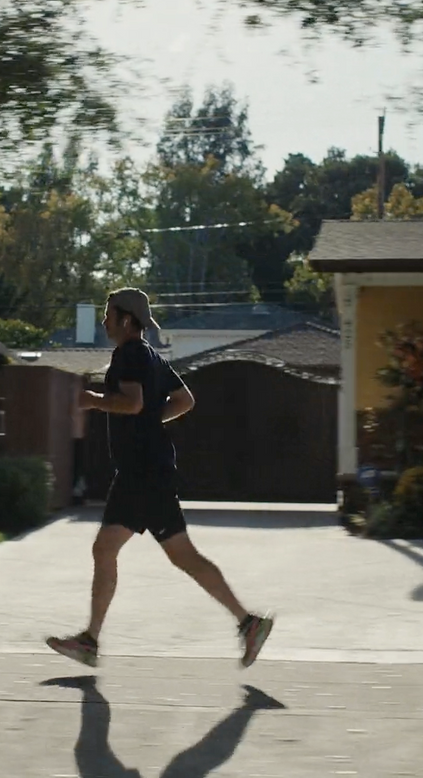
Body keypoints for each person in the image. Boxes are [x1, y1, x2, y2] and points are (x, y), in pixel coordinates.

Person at [47, 287, 274, 669]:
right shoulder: (151, 356)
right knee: (154, 553)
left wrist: (93, 400)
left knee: (133, 551)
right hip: (147, 470)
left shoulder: (129, 354)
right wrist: (149, 419)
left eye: (108, 314)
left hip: (142, 472)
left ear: (125, 319)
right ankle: (248, 624)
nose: (104, 321)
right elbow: (184, 400)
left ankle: (91, 640)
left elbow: (133, 403)